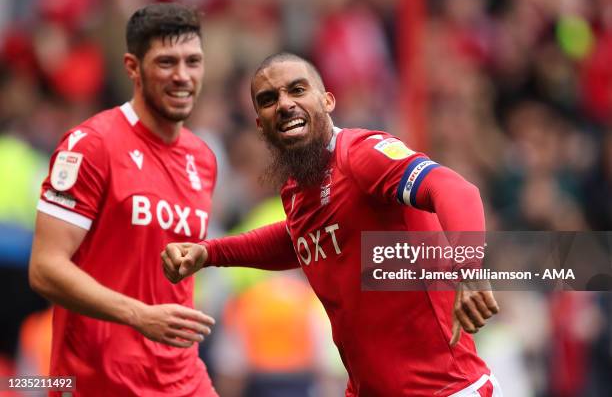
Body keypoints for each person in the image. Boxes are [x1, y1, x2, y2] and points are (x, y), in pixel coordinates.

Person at [162, 52, 502, 396]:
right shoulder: (296, 189)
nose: (284, 104)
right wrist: (208, 252)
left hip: (448, 389)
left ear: (327, 100)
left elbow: (454, 189)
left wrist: (468, 268)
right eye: (269, 99)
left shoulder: (360, 155)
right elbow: (297, 239)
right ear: (260, 124)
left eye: (297, 90)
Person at [29, 3, 218, 396]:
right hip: (100, 381)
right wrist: (139, 315)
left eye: (193, 61)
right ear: (133, 67)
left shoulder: (203, 159)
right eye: (166, 62)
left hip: (182, 378)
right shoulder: (92, 146)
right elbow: (45, 268)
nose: (183, 76)